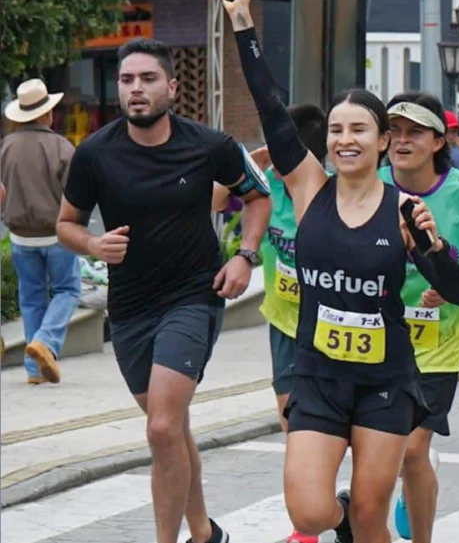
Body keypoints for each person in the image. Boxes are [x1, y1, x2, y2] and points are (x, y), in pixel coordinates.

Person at [222, 0, 459, 542]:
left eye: (359, 129)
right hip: (319, 376)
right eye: (336, 130)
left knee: (369, 513)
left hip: (384, 382)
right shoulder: (309, 188)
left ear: (383, 141)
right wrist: (243, 24)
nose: (345, 140)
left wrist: (431, 246)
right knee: (311, 514)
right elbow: (269, 107)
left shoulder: (405, 208)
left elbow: (457, 290)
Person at [55, 35, 272, 543]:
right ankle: (204, 532)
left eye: (148, 79)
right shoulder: (94, 154)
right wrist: (92, 243)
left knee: (159, 428)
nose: (136, 89)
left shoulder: (209, 145)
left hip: (194, 297)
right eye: (127, 80)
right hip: (129, 308)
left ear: (171, 87)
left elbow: (258, 198)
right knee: (169, 428)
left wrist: (245, 256)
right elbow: (65, 223)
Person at [379, 91, 459, 543]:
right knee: (391, 453)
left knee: (413, 450)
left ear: (439, 141)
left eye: (413, 132)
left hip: (439, 343)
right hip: (374, 337)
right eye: (393, 131)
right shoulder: (367, 183)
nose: (401, 140)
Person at [236, 103, 328, 543]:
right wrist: (259, 157)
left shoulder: (332, 187)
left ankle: (405, 476)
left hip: (338, 325)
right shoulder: (266, 185)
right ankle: (304, 528)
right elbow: (215, 195)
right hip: (284, 323)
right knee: (295, 425)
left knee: (357, 434)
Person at [1, 78, 82, 385]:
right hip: (56, 235)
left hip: (21, 237)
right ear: (48, 114)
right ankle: (45, 342)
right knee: (68, 290)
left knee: (32, 298)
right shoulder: (60, 146)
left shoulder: (5, 146)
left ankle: (34, 371)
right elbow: (76, 195)